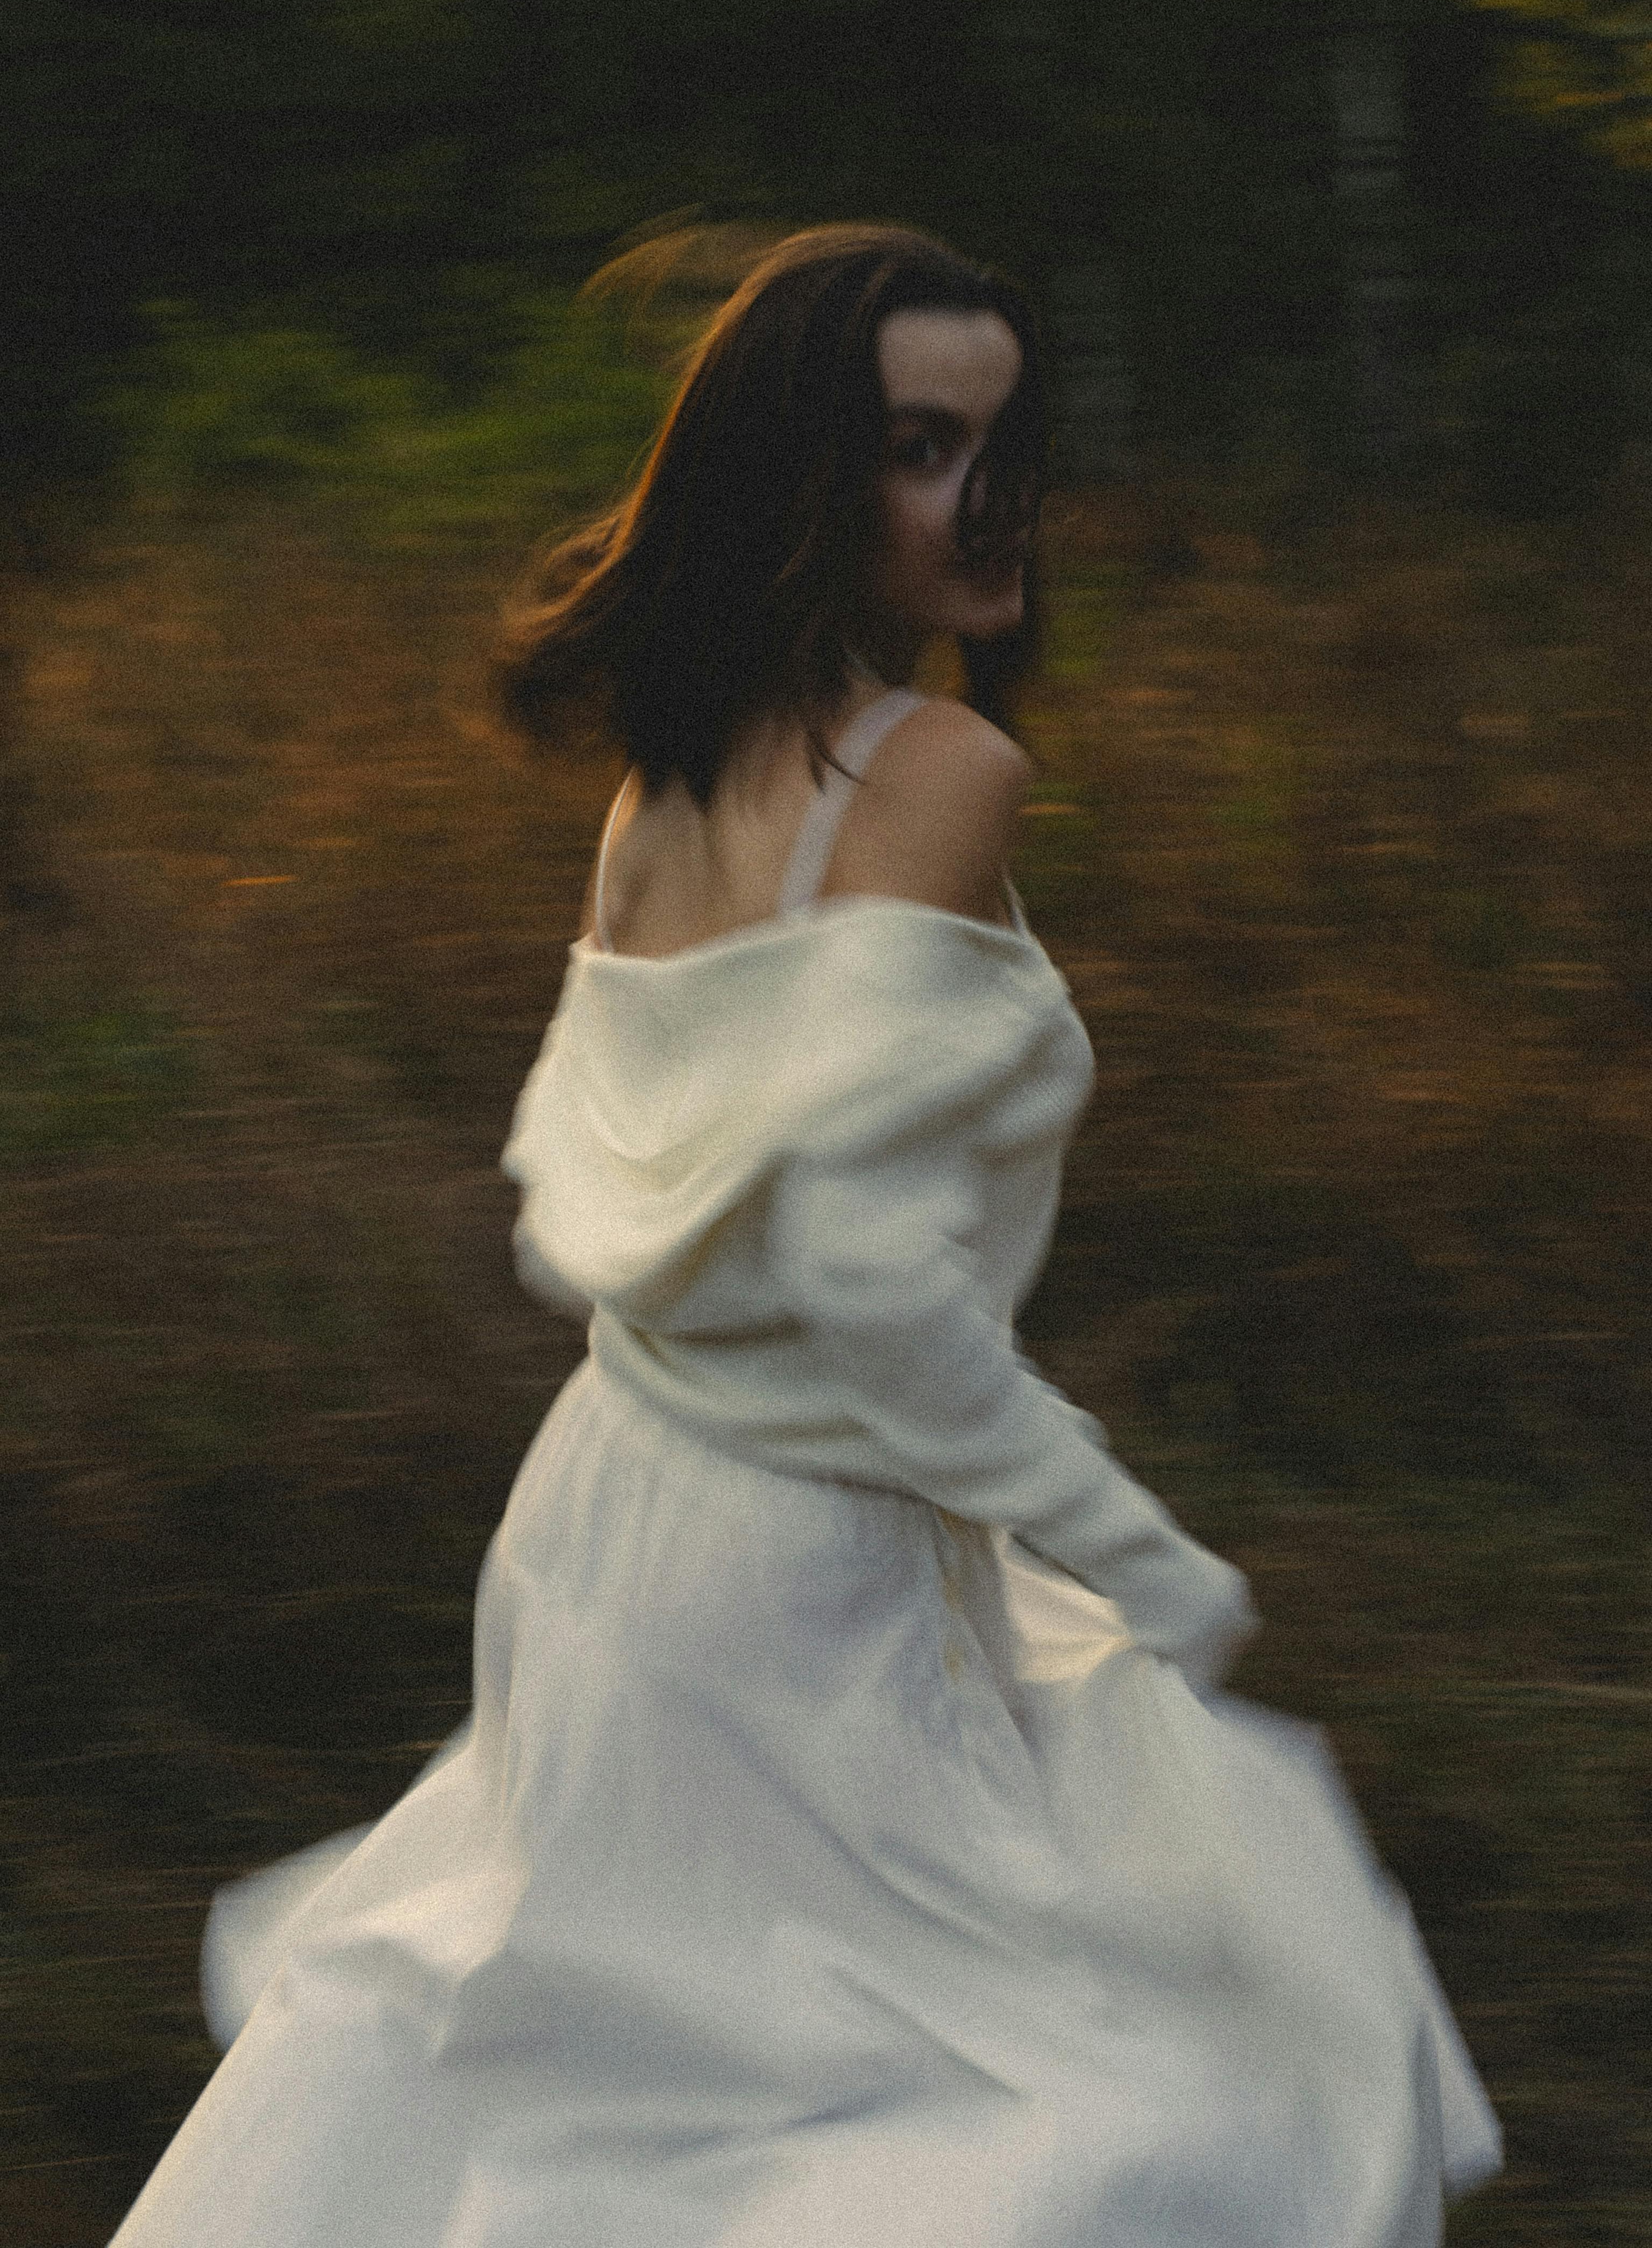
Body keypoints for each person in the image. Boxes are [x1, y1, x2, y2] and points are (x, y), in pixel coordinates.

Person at [110, 223, 1501, 2246]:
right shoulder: (939, 773)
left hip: (607, 1528)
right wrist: (1139, 1553)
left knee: (636, 2090)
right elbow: (866, 1282)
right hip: (801, 1588)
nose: (991, 498)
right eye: (924, 447)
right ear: (800, 488)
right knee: (1081, 2093)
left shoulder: (659, 789)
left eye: (1012, 440)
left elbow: (583, 1191)